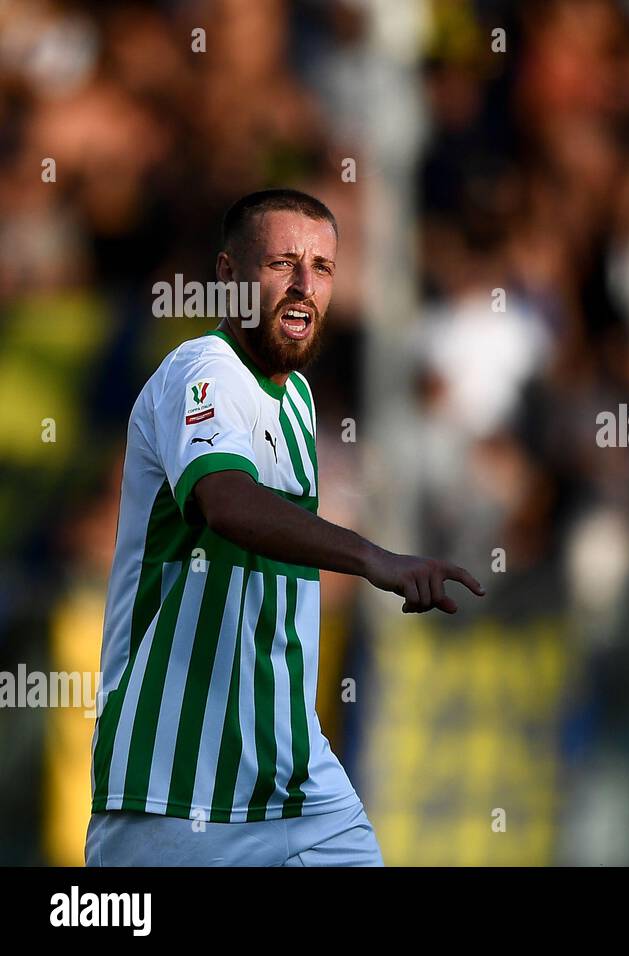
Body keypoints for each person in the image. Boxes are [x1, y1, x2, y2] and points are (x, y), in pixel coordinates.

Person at [85, 188, 483, 866]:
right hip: (180, 787)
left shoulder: (295, 398)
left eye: (323, 268)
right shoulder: (200, 372)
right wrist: (371, 559)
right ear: (228, 275)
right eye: (282, 264)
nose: (304, 286)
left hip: (296, 780)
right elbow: (227, 502)